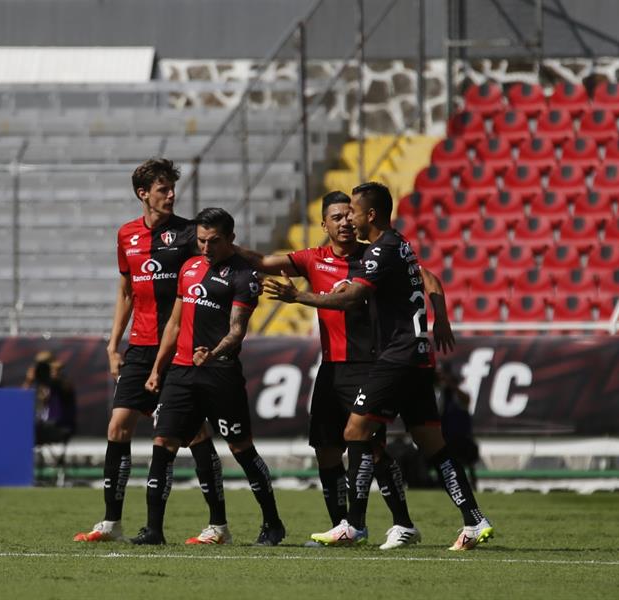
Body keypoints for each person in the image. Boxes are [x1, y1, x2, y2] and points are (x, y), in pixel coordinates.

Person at [265, 181, 494, 551]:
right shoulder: (401, 244)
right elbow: (427, 277)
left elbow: (352, 298)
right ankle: (473, 519)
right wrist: (443, 319)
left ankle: (354, 525)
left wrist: (299, 296)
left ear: (370, 214)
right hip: (419, 358)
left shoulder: (381, 251)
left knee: (356, 433)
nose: (349, 218)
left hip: (395, 358)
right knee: (432, 444)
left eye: (353, 211)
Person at [238, 191, 419, 550]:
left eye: (348, 216)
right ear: (324, 225)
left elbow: (422, 277)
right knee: (326, 449)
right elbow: (263, 260)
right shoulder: (312, 260)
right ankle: (341, 526)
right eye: (336, 217)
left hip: (369, 364)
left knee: (372, 448)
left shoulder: (375, 255)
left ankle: (400, 521)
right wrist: (227, 247)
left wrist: (438, 313)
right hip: (331, 367)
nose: (345, 222)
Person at [74, 159, 228, 545]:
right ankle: (111, 522)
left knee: (192, 434)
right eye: (163, 189)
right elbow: (126, 292)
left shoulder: (193, 234)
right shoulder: (126, 235)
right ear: (143, 193)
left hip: (178, 348)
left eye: (172, 188)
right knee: (118, 426)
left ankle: (218, 524)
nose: (171, 194)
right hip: (140, 347)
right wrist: (113, 345)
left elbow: (221, 270)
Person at [132, 207, 285, 546]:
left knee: (241, 448)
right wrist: (158, 368)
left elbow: (237, 331)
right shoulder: (188, 268)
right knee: (163, 445)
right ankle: (154, 530)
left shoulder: (244, 277)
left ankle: (273, 523)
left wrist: (212, 353)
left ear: (231, 238)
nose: (205, 247)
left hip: (220, 373)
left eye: (213, 241)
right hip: (181, 373)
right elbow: (173, 323)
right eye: (201, 240)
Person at [437, 363, 480, 488]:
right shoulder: (440, 393)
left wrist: (453, 386)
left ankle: (472, 484)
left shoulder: (461, 389)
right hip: (446, 435)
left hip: (462, 435)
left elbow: (466, 400)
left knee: (468, 462)